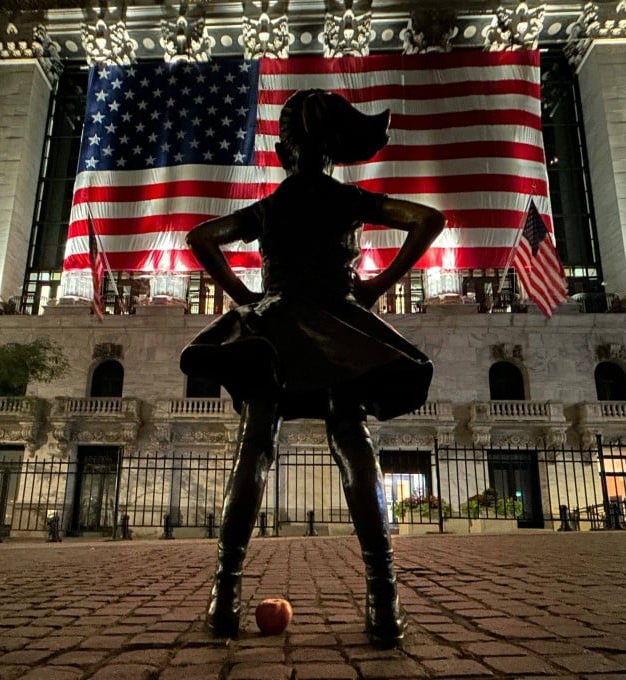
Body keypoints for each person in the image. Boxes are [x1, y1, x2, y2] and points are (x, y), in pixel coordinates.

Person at [179, 88, 444, 648]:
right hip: (337, 327)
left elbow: (201, 238)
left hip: (274, 329)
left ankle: (224, 596)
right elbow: (428, 219)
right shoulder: (348, 199)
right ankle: (383, 601)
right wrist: (377, 286)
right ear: (334, 152)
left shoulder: (270, 207)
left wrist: (245, 297)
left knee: (256, 446)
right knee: (353, 443)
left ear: (283, 153)